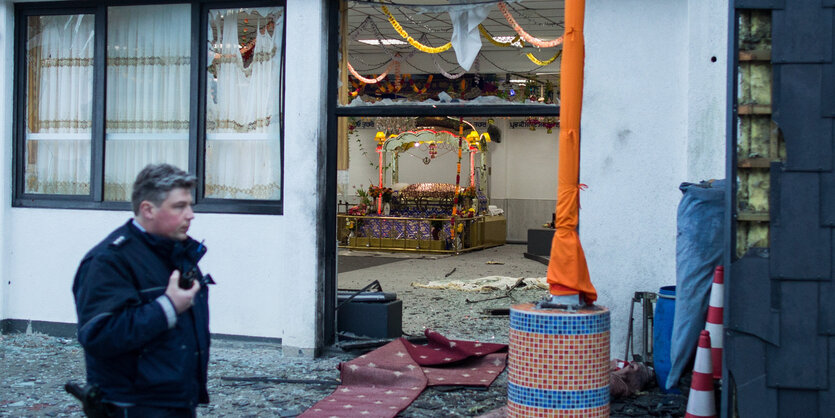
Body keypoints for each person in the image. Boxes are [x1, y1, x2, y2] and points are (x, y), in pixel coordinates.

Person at [72, 163, 212, 417]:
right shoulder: (108, 261)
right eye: (179, 206)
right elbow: (99, 334)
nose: (190, 214)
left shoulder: (178, 253)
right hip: (133, 407)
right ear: (148, 209)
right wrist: (167, 307)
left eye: (190, 205)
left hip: (177, 400)